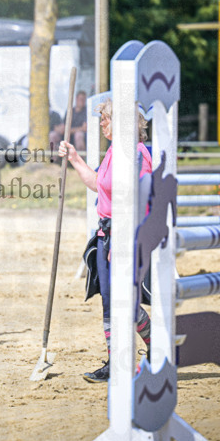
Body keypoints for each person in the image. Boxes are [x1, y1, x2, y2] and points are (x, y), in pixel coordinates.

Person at [58, 98, 152, 383]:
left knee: (124, 301)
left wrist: (123, 239)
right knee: (112, 302)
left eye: (106, 119)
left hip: (125, 235)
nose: (101, 124)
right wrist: (75, 158)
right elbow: (97, 182)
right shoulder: (114, 151)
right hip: (105, 234)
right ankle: (120, 361)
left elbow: (139, 199)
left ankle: (152, 346)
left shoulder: (137, 154)